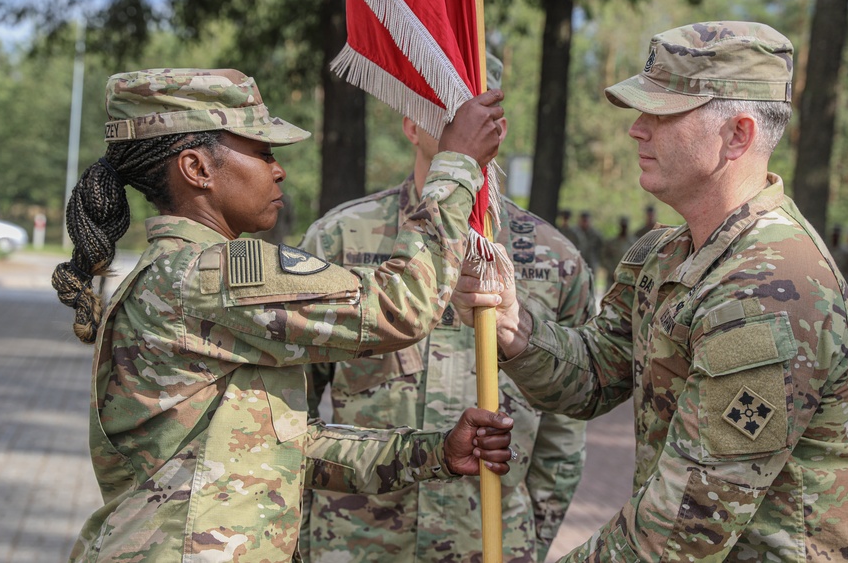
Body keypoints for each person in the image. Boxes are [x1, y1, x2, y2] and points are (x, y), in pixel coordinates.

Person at [453, 21, 848, 561]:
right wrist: (515, 328)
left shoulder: (772, 291)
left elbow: (683, 526)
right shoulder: (664, 254)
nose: (637, 129)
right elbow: (595, 376)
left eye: (663, 114)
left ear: (738, 135)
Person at [51, 68, 514, 562]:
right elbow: (400, 306)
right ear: (196, 168)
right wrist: (456, 166)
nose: (279, 171)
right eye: (263, 153)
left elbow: (280, 446)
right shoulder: (213, 273)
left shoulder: (183, 275)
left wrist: (434, 453)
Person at [298, 54, 594, 563]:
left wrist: (531, 540)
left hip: (489, 542)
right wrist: (303, 536)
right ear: (412, 123)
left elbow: (565, 430)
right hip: (355, 543)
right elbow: (295, 402)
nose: (473, 122)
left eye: (486, 108)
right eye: (452, 112)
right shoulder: (340, 239)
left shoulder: (553, 257)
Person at [601, 216, 634, 285]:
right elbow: (604, 257)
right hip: (612, 277)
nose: (624, 228)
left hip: (628, 278)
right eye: (622, 226)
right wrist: (612, 270)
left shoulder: (634, 243)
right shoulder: (611, 242)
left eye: (625, 226)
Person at [574, 211, 604, 276]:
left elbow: (601, 249)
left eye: (586, 221)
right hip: (576, 263)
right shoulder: (574, 233)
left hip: (591, 264)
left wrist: (597, 261)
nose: (585, 223)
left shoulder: (595, 234)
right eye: (583, 221)